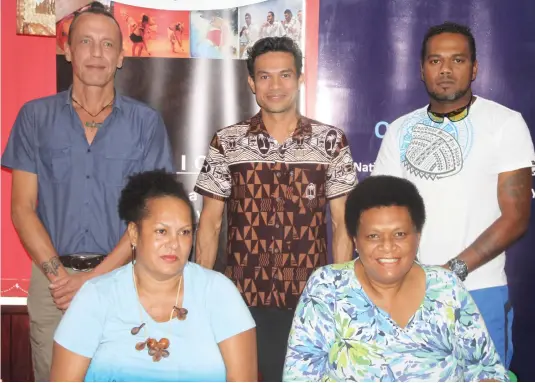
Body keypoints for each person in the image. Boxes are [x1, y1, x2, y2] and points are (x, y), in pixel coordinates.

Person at [1, 2, 174, 381]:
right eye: (86, 42)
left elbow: (149, 218)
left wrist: (93, 280)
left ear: (121, 57)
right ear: (68, 50)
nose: (96, 53)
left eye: (107, 45)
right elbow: (22, 209)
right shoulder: (35, 117)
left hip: (124, 281)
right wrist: (61, 278)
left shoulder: (145, 124)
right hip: (52, 285)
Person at [194, 36, 358, 382]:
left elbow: (343, 225)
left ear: (300, 78)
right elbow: (209, 225)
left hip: (309, 301)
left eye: (285, 75)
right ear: (251, 82)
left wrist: (338, 294)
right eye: (265, 76)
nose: (275, 85)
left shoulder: (330, 141)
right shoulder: (228, 141)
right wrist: (196, 291)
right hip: (240, 300)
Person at [372, 21, 534, 368]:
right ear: (421, 69)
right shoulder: (400, 130)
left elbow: (516, 216)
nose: (445, 69)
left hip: (479, 291)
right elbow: (380, 212)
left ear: (474, 68)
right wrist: (408, 278)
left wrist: (450, 273)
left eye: (457, 60)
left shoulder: (504, 123)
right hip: (408, 293)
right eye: (435, 61)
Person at [283, 175, 509, 382]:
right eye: (373, 236)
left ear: (417, 236)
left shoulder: (446, 287)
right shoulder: (327, 288)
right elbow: (299, 376)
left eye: (399, 234)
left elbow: (487, 370)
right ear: (355, 240)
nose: (388, 247)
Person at [50, 170, 257, 381]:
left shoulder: (219, 292)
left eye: (184, 232)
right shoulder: (96, 296)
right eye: (161, 231)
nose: (174, 243)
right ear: (133, 233)